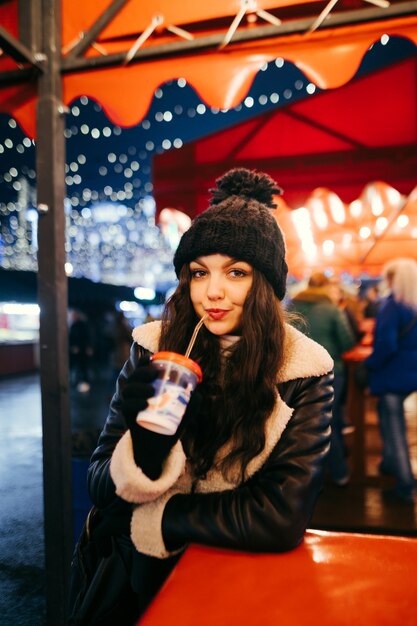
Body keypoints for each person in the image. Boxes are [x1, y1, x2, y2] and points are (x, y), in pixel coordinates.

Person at [86, 168, 334, 623]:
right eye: (199, 273)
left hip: (239, 588)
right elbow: (100, 483)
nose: (213, 292)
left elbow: (279, 518)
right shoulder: (153, 349)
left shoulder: (304, 371)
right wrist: (144, 447)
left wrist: (153, 516)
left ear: (265, 285)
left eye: (236, 272)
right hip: (141, 583)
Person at [290, 272, 357, 486]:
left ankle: (307, 477)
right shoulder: (331, 309)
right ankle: (339, 473)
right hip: (331, 371)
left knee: (301, 426)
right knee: (329, 422)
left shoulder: (292, 306)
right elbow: (348, 342)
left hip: (297, 372)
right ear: (326, 287)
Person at [365, 258, 417, 504]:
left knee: (394, 427)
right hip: (412, 372)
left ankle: (405, 483)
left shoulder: (392, 306)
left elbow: (386, 345)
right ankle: (389, 462)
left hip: (393, 374)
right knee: (389, 420)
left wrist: (370, 364)